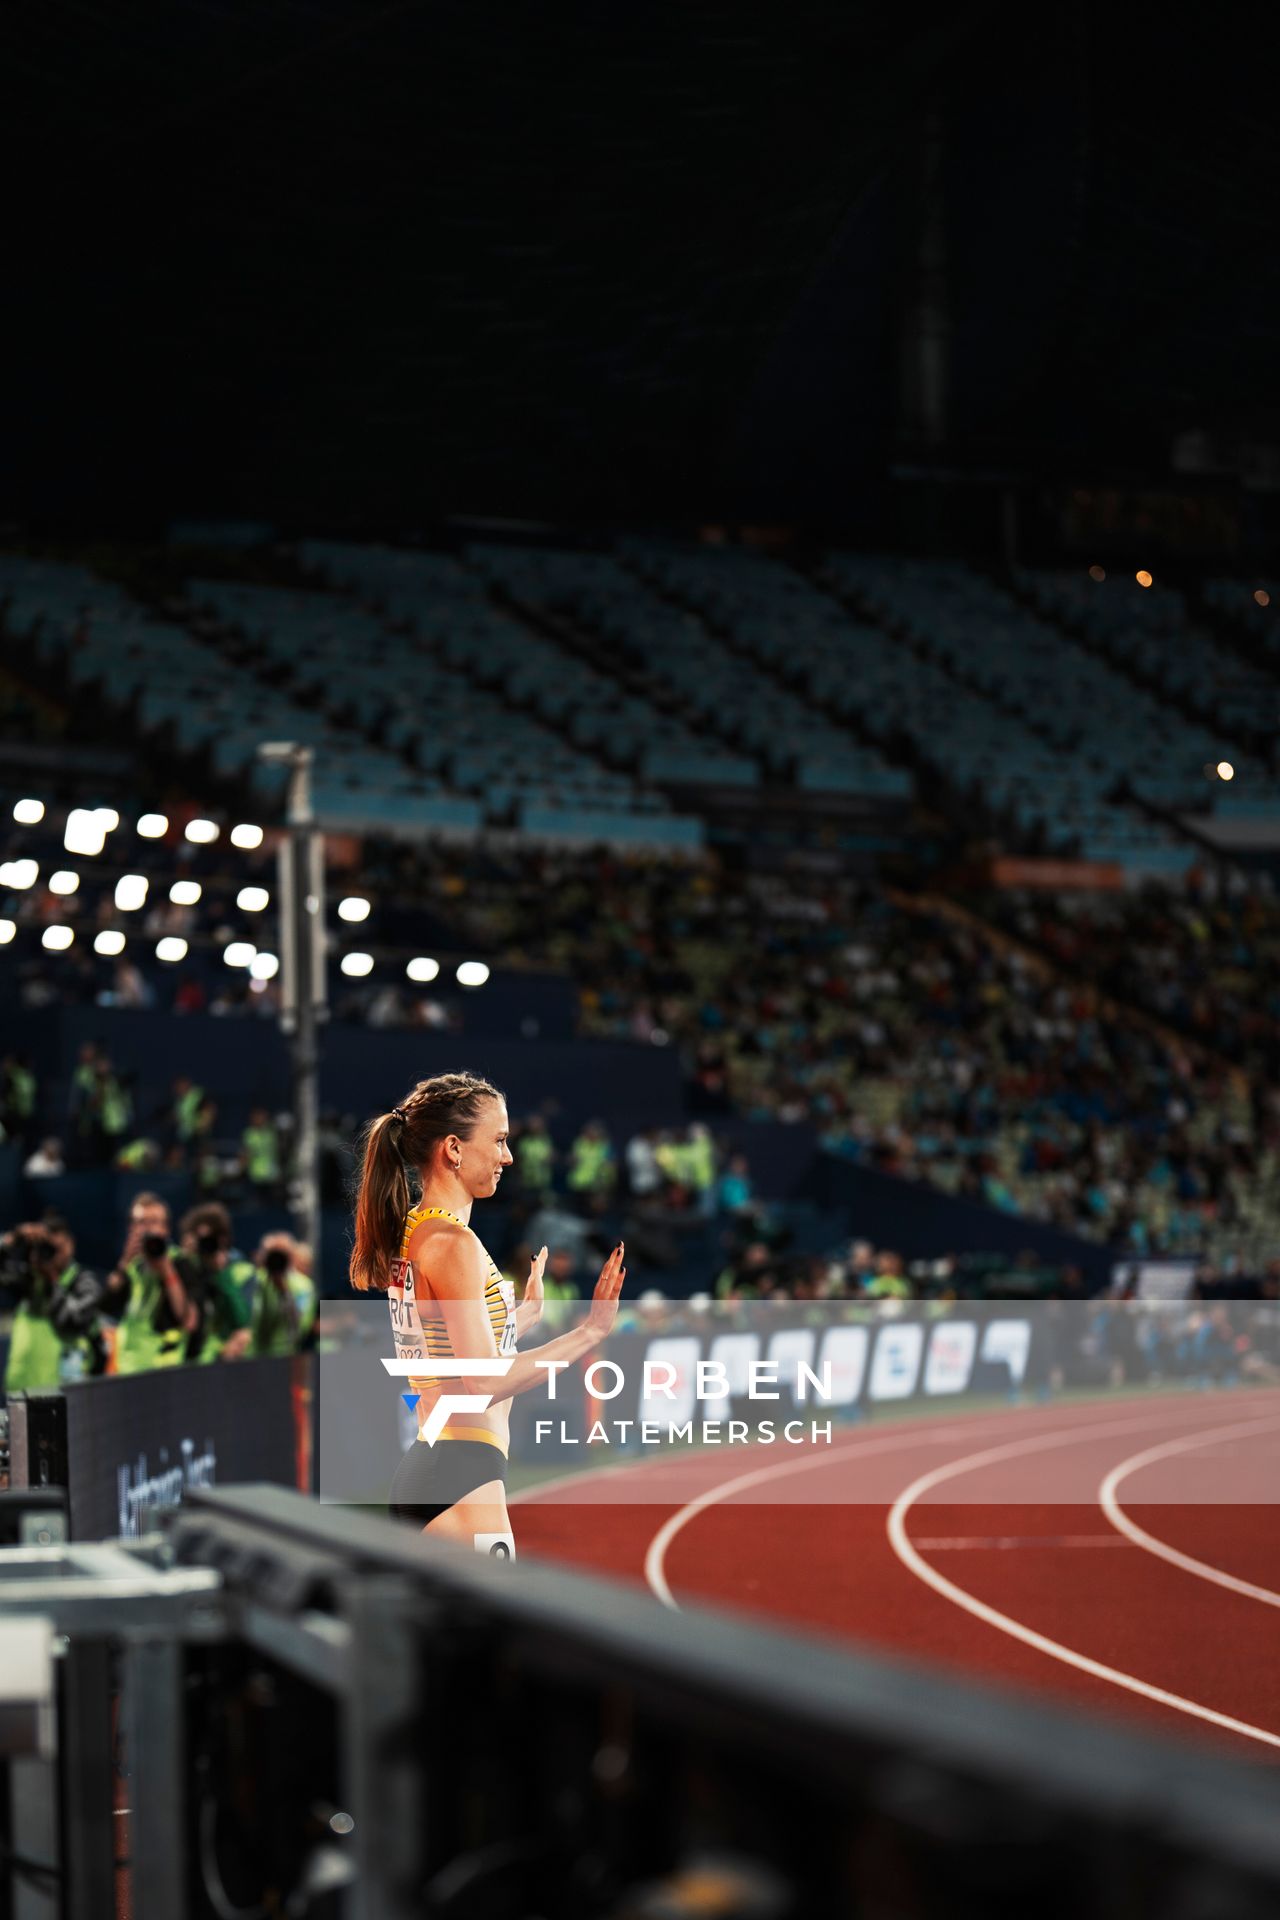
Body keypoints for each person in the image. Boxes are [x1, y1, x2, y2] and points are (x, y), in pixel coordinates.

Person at [349, 1070, 626, 1555]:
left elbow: (449, 1351)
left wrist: (521, 1318)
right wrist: (590, 1332)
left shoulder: (419, 1231)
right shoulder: (452, 1243)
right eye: (498, 1141)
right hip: (460, 1472)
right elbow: (482, 1381)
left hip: (442, 1465)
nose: (508, 1156)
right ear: (453, 1149)